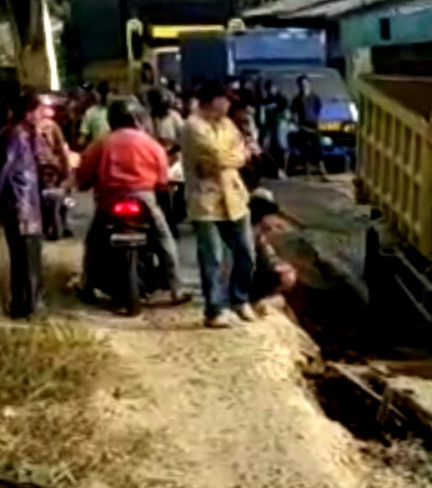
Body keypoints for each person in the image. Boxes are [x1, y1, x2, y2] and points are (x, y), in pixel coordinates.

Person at [76, 100, 189, 305]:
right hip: (144, 198)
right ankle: (176, 288)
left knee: (94, 241)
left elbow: (84, 175)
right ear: (137, 118)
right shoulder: (151, 144)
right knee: (164, 239)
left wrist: (85, 184)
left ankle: (87, 284)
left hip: (109, 198)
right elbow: (163, 180)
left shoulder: (102, 143)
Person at [181, 80, 256, 329]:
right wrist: (234, 156)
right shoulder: (192, 126)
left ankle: (240, 299)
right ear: (213, 100)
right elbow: (216, 155)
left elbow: (241, 153)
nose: (229, 103)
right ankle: (215, 310)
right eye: (225, 99)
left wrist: (234, 157)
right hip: (206, 201)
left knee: (246, 253)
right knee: (212, 257)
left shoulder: (227, 124)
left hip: (235, 198)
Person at [0, 93, 45, 320]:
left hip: (27, 204)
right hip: (20, 206)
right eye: (39, 110)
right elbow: (5, 172)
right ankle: (27, 308)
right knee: (25, 259)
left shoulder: (26, 134)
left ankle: (25, 305)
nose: (43, 114)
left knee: (28, 259)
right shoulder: (16, 136)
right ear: (28, 112)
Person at [248, 189, 297, 315]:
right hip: (250, 284)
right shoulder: (253, 236)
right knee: (288, 275)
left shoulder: (254, 233)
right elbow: (266, 262)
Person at [34, 96, 73, 239]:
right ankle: (64, 224)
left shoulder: (30, 126)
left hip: (42, 169)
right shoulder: (51, 126)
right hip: (49, 168)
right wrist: (66, 169)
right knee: (66, 195)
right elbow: (62, 149)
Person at [289, 75, 327, 179]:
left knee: (317, 149)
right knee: (304, 150)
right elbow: (293, 113)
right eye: (301, 84)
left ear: (309, 84)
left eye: (305, 83)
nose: (304, 86)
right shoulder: (296, 99)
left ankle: (322, 172)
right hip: (303, 126)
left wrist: (315, 119)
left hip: (314, 126)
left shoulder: (315, 97)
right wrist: (297, 123)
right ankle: (307, 173)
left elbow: (318, 109)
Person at [260, 80, 289, 178]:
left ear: (276, 88)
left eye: (271, 88)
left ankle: (284, 170)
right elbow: (262, 114)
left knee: (282, 146)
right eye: (268, 88)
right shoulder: (265, 100)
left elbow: (286, 112)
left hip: (279, 124)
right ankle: (272, 169)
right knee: (265, 146)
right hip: (269, 125)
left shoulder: (281, 99)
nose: (270, 90)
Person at [78, 81, 111, 148]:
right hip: (99, 150)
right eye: (102, 93)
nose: (104, 96)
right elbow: (83, 136)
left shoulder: (118, 110)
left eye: (106, 93)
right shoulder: (91, 112)